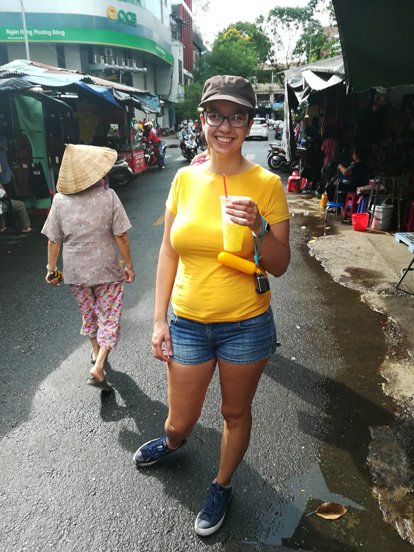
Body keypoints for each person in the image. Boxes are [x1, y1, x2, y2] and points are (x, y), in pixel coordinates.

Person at [133, 75, 290, 535]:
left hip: (246, 326)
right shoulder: (183, 179)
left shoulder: (266, 184)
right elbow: (168, 251)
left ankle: (222, 484)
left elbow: (279, 265)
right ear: (202, 120)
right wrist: (159, 319)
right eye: (216, 115)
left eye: (237, 115)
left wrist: (260, 227)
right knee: (180, 419)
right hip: (186, 323)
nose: (226, 126)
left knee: (234, 414)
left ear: (248, 121)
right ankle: (173, 440)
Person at [41, 144, 135, 391]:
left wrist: (52, 269)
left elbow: (54, 239)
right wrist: (129, 265)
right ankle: (99, 363)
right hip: (108, 272)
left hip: (76, 273)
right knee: (109, 316)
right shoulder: (109, 196)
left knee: (89, 313)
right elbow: (121, 235)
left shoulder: (59, 201)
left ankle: (95, 352)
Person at [0, 136, 31, 233]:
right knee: (13, 203)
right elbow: (4, 194)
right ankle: (24, 226)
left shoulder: (3, 141)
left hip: (5, 176)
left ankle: (4, 224)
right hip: (5, 181)